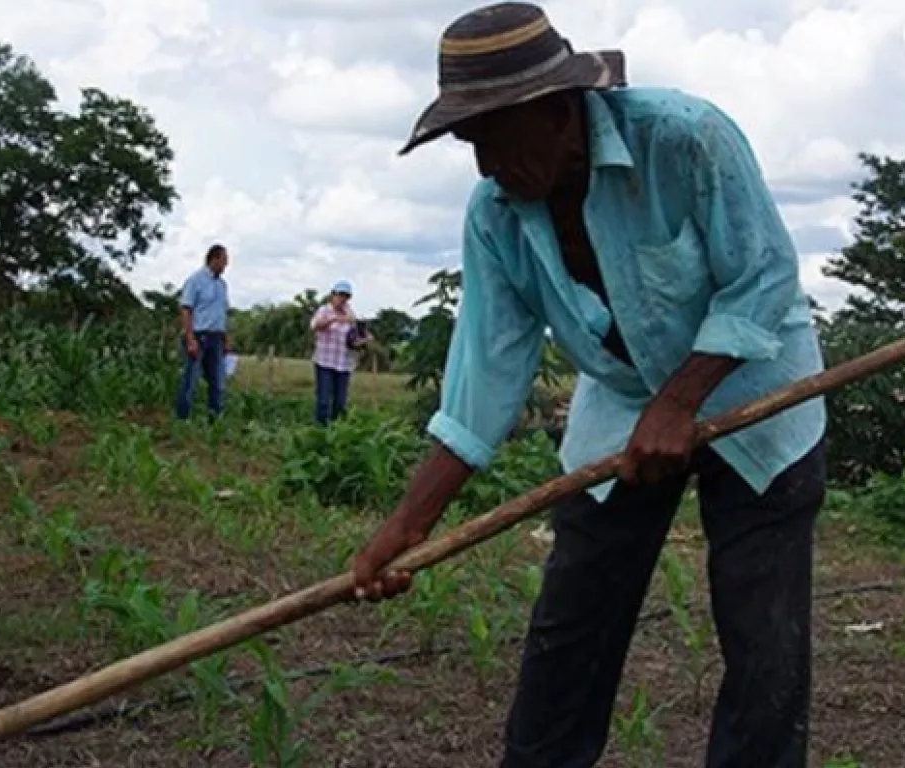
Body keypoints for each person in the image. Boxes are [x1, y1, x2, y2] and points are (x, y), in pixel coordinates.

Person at [351, 3, 828, 767]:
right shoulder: (497, 217)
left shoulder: (685, 138)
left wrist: (682, 399)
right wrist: (409, 525)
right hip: (622, 408)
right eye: (471, 144)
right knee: (571, 621)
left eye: (498, 138)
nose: (485, 167)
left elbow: (763, 277)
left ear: (559, 109)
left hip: (759, 396)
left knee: (762, 638)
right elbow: (485, 374)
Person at [174, 243, 231, 420]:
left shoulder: (222, 285)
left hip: (216, 338)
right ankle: (182, 419)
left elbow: (222, 313)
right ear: (213, 259)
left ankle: (215, 419)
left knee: (218, 382)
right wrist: (190, 339)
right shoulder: (195, 280)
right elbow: (186, 309)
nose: (225, 266)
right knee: (190, 380)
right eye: (223, 261)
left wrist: (226, 338)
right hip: (198, 336)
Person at [309, 280, 370, 425]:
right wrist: (335, 319)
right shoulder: (324, 311)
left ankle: (337, 429)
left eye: (346, 296)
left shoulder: (351, 314)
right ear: (332, 295)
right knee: (324, 399)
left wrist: (364, 340)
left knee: (340, 401)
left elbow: (352, 341)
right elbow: (315, 326)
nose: (342, 299)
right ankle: (320, 429)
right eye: (340, 295)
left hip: (344, 363)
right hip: (325, 361)